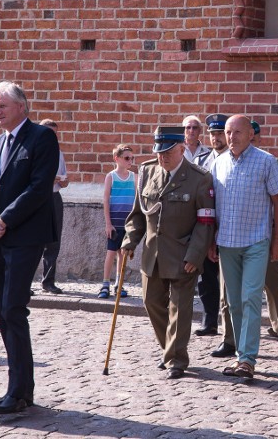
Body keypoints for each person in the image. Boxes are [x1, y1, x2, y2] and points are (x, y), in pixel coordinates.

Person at [0, 81, 59, 414]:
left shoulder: (41, 138)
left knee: (13, 309)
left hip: (25, 235)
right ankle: (20, 390)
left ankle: (18, 389)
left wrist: (4, 219)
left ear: (22, 106)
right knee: (3, 313)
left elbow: (39, 189)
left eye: (3, 105)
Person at [121, 126, 216, 379]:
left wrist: (196, 254)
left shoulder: (199, 178)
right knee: (151, 302)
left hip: (184, 254)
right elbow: (138, 214)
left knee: (180, 308)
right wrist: (130, 240)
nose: (162, 157)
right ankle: (169, 349)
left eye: (167, 152)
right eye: (159, 152)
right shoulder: (147, 172)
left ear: (181, 149)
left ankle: (176, 359)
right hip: (153, 255)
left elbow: (205, 221)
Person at [207, 115, 278, 379]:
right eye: (228, 132)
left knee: (251, 297)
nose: (231, 137)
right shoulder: (217, 164)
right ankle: (242, 354)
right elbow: (212, 208)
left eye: (237, 132)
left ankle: (247, 359)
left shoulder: (266, 161)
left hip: (256, 241)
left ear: (251, 134)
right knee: (234, 302)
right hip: (227, 243)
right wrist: (211, 241)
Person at [249, 121, 278, 352]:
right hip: (236, 237)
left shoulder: (269, 162)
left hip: (263, 234)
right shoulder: (225, 161)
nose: (252, 142)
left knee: (272, 284)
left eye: (255, 137)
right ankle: (232, 336)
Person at [193, 113, 228, 338]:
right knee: (205, 276)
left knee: (227, 279)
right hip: (205, 224)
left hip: (227, 224)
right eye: (212, 133)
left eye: (219, 133)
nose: (215, 138)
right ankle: (209, 319)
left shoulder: (234, 157)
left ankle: (228, 324)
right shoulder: (201, 160)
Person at [39, 119, 69, 295]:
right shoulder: (32, 151)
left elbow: (63, 177)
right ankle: (24, 283)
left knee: (54, 241)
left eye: (55, 134)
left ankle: (48, 282)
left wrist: (64, 181)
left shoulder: (58, 153)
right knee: (33, 241)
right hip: (37, 199)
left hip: (54, 197)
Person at [100, 144, 135, 299]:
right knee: (111, 253)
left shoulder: (134, 177)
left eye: (132, 158)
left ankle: (119, 284)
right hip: (114, 223)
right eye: (127, 158)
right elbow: (106, 199)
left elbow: (136, 200)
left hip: (128, 224)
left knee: (123, 255)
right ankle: (105, 284)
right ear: (117, 159)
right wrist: (108, 223)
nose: (130, 161)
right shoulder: (111, 177)